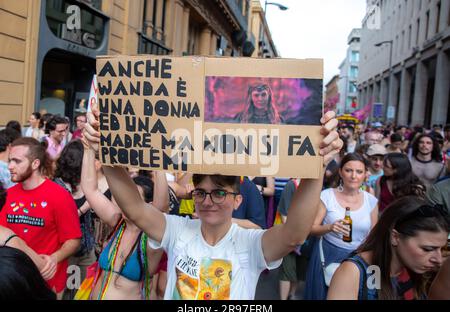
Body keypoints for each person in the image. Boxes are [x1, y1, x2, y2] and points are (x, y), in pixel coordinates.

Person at [84, 103, 342, 300]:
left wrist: (314, 169)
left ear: (238, 200)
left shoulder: (250, 242)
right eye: (201, 192)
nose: (208, 200)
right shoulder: (177, 229)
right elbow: (135, 209)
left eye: (219, 193)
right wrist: (105, 151)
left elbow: (294, 236)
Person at [80, 141, 165, 300]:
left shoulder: (152, 236)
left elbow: (161, 207)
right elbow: (90, 189)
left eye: (134, 201)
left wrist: (160, 162)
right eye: (124, 199)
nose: (126, 204)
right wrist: (88, 148)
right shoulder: (117, 221)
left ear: (149, 206)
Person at [0, 137, 81, 298]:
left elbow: (73, 240)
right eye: (10, 161)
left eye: (17, 161)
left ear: (35, 164)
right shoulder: (7, 195)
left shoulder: (59, 196)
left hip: (47, 282)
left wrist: (53, 258)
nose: (10, 166)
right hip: (15, 282)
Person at [327, 196, 449, 300]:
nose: (438, 259)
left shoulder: (419, 271)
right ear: (395, 237)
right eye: (427, 249)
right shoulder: (354, 272)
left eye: (442, 249)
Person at [304, 153, 378, 300]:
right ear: (340, 172)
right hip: (329, 254)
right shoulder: (327, 196)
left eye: (359, 172)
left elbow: (374, 235)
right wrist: (330, 227)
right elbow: (311, 228)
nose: (353, 176)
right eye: (349, 170)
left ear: (365, 175)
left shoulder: (371, 200)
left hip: (360, 257)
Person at [53, 140, 96, 300]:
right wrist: (84, 208)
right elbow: (63, 218)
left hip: (87, 248)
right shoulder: (57, 185)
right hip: (65, 250)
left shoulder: (88, 183)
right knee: (65, 292)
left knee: (84, 291)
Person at [277, 178, 310, 300]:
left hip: (307, 235)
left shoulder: (314, 185)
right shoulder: (292, 185)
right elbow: (284, 214)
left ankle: (292, 295)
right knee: (287, 270)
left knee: (300, 270)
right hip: (290, 234)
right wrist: (292, 234)